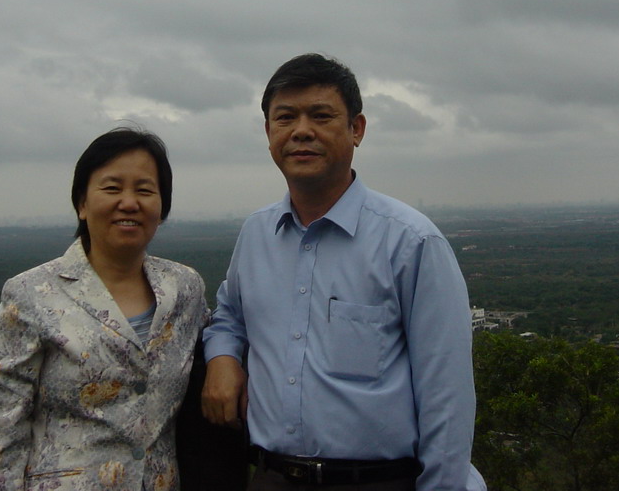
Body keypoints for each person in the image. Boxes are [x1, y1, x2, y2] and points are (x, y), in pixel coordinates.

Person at [202, 54, 485, 491]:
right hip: (270, 477)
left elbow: (447, 399)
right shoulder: (258, 234)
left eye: (320, 115)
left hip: (377, 480)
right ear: (268, 133)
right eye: (286, 117)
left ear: (357, 129)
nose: (301, 130)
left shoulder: (410, 243)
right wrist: (221, 358)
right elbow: (229, 315)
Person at [0, 128, 208, 491]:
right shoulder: (30, 293)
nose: (129, 202)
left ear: (161, 206)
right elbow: (1, 427)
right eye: (112, 188)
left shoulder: (185, 288)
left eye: (145, 190)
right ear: (82, 204)